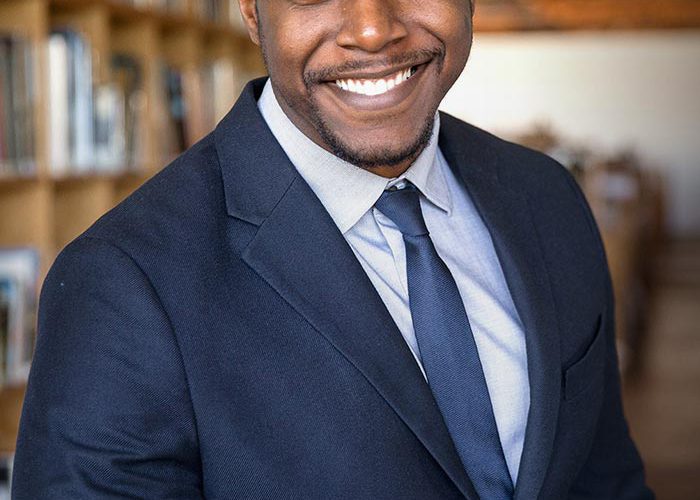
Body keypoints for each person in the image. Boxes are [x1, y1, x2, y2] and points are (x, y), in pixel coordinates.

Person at [13, 0, 652, 498]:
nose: (372, 30)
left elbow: (605, 481)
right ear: (251, 10)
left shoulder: (547, 197)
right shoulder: (121, 283)